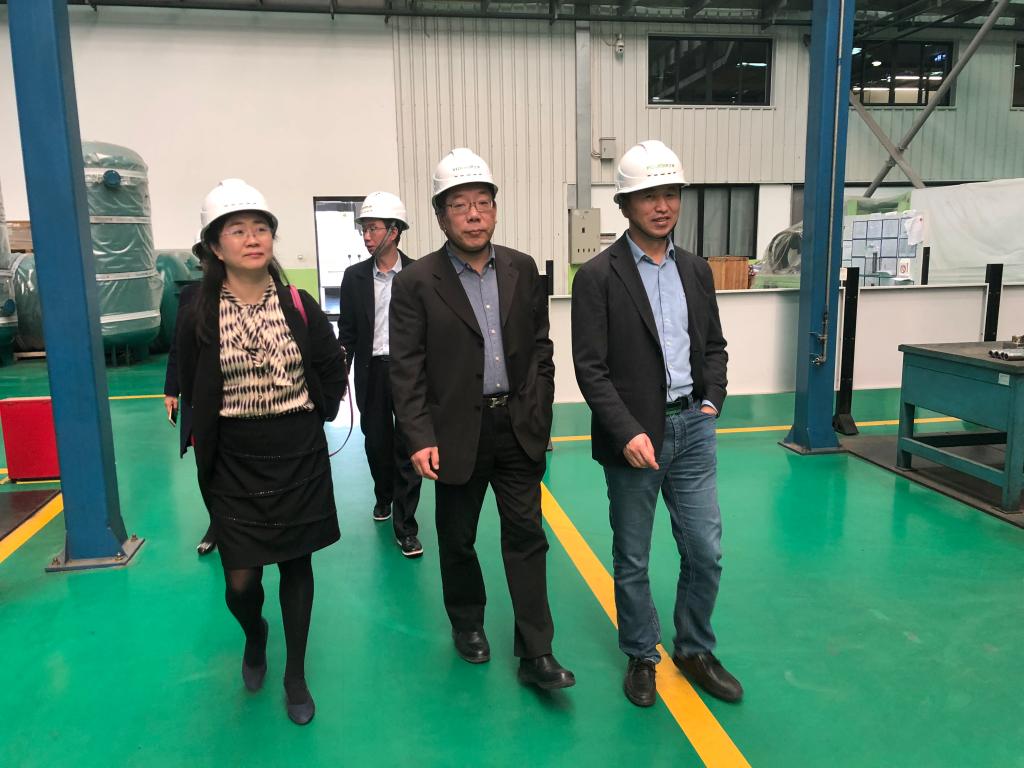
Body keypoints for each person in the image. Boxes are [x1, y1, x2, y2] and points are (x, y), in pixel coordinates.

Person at [389, 148, 574, 690]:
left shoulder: (521, 268)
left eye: (483, 203)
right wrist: (419, 436)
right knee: (458, 538)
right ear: (441, 216)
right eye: (460, 205)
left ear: (495, 210)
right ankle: (467, 623)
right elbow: (406, 367)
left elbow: (541, 348)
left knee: (527, 535)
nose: (473, 215)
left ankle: (537, 651)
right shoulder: (417, 282)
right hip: (454, 433)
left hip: (516, 426)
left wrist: (539, 408)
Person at [571, 140, 743, 708]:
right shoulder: (598, 276)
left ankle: (694, 649)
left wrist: (712, 400)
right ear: (624, 204)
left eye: (670, 193)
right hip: (635, 439)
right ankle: (642, 654)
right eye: (648, 196)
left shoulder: (696, 270)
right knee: (633, 557)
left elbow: (713, 345)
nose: (662, 206)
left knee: (705, 550)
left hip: (693, 428)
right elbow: (591, 369)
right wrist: (627, 432)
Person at [176, 178, 347, 725]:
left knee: (297, 564)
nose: (253, 239)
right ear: (214, 246)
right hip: (233, 456)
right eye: (237, 230)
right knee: (240, 581)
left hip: (297, 450)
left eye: (261, 228)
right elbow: (186, 371)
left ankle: (295, 673)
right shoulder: (197, 309)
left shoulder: (298, 304)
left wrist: (317, 412)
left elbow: (331, 364)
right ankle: (255, 633)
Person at [337, 192, 423, 558]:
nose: (367, 236)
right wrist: (338, 375)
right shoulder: (354, 277)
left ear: (394, 231)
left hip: (409, 374)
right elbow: (347, 332)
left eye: (373, 228)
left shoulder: (418, 275)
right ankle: (383, 494)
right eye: (364, 229)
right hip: (370, 372)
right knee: (376, 443)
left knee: (409, 447)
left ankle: (406, 527)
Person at [164, 258, 216, 556]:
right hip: (199, 398)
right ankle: (216, 523)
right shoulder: (191, 296)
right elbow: (178, 346)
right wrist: (172, 389)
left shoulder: (248, 293)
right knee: (205, 466)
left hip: (240, 400)